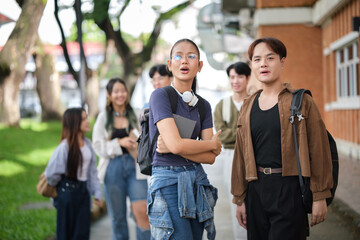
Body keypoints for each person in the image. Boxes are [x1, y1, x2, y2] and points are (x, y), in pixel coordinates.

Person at [231, 37, 333, 240]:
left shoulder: (302, 101)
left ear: (282, 62)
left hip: (289, 190)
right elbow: (241, 155)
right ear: (252, 65)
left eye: (270, 58)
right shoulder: (248, 105)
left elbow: (319, 150)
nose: (263, 64)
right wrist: (240, 198)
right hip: (256, 189)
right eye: (257, 59)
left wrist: (320, 196)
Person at [147, 38, 223, 240]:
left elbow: (209, 158)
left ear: (199, 66)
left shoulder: (204, 106)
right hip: (168, 181)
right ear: (169, 65)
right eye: (178, 56)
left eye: (191, 56)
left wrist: (179, 146)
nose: (184, 61)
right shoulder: (160, 96)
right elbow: (178, 144)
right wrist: (210, 144)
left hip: (195, 178)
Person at [92, 78, 150, 240]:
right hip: (113, 168)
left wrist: (136, 141)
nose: (120, 94)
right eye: (116, 91)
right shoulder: (103, 118)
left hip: (136, 168)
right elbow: (98, 146)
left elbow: (147, 140)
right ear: (109, 95)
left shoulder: (137, 114)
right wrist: (119, 143)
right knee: (117, 219)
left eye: (123, 90)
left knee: (142, 213)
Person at [45, 107, 103, 240]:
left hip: (84, 194)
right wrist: (60, 194)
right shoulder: (64, 147)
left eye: (86, 118)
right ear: (74, 122)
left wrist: (97, 193)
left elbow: (92, 172)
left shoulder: (87, 144)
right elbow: (51, 174)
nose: (87, 121)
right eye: (83, 119)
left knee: (82, 234)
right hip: (67, 194)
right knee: (66, 234)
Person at [213, 61, 251, 240]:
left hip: (255, 157)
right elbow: (221, 135)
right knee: (237, 203)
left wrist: (234, 132)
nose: (235, 81)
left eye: (240, 77)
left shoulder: (255, 102)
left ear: (248, 78)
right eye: (232, 77)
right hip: (230, 157)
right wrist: (246, 131)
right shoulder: (223, 105)